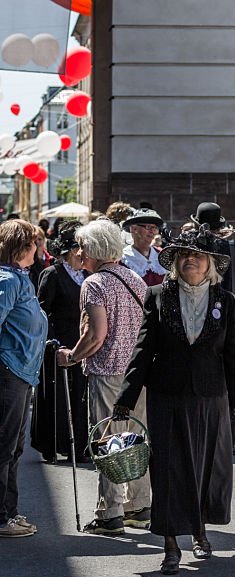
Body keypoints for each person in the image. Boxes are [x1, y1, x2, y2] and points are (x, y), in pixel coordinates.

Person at [112, 227, 235, 575]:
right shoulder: (158, 296)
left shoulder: (226, 301)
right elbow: (143, 350)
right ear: (175, 262)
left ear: (210, 264)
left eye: (198, 256)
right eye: (184, 255)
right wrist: (127, 397)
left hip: (210, 397)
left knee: (204, 469)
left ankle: (200, 531)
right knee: (169, 471)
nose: (191, 260)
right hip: (167, 395)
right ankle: (171, 545)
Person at [57, 219, 152, 535]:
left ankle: (109, 512)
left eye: (82, 247)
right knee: (135, 439)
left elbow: (96, 335)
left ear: (95, 250)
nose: (79, 253)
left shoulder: (94, 284)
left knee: (109, 442)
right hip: (137, 374)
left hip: (108, 371)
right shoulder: (134, 279)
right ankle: (138, 506)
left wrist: (72, 356)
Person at [190, 203, 235, 454]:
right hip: (231, 327)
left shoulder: (190, 251)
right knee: (233, 377)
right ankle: (227, 440)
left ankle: (199, 437)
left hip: (194, 322)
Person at [0, 220, 48, 537]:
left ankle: (9, 512)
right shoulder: (7, 280)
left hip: (21, 372)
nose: (40, 249)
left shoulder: (21, 278)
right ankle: (3, 516)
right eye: (36, 243)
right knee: (4, 446)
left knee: (14, 446)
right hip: (9, 371)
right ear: (23, 246)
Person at [33, 222, 89, 463]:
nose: (82, 254)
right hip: (58, 342)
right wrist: (52, 342)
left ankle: (79, 446)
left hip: (83, 342)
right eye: (78, 248)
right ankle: (54, 444)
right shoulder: (52, 274)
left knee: (80, 395)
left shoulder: (88, 275)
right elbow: (42, 311)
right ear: (68, 251)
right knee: (58, 396)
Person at [120, 207, 167, 286]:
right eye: (148, 227)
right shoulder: (123, 259)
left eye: (155, 228)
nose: (152, 231)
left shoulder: (161, 255)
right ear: (134, 229)